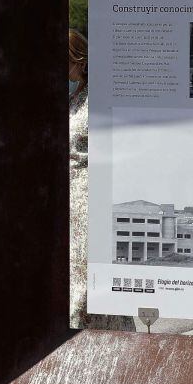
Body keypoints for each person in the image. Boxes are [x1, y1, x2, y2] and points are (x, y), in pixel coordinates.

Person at [68, 30, 135, 331]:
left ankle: (97, 332)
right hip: (69, 197)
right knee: (72, 272)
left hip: (88, 196)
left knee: (86, 276)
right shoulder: (74, 98)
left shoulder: (97, 98)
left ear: (78, 59)